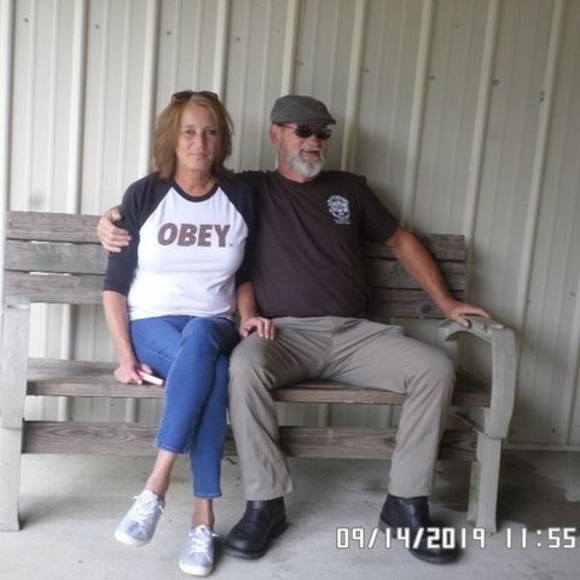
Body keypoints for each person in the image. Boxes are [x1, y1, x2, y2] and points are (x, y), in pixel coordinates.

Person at [98, 94, 490, 565]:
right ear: (276, 135)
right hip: (281, 335)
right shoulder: (251, 189)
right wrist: (113, 217)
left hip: (356, 333)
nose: (313, 140)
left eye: (322, 132)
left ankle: (406, 504)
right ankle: (264, 504)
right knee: (241, 370)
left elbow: (400, 239)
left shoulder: (351, 189)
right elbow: (185, 188)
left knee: (435, 368)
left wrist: (446, 302)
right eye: (302, 130)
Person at [102, 90, 275, 577]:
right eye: (189, 132)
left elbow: (245, 275)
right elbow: (115, 288)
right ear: (172, 139)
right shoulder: (145, 195)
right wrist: (124, 355)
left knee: (203, 337)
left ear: (222, 141)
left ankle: (155, 486)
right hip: (151, 325)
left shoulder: (240, 197)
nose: (200, 142)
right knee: (213, 373)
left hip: (215, 324)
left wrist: (246, 316)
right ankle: (203, 519)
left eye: (210, 132)